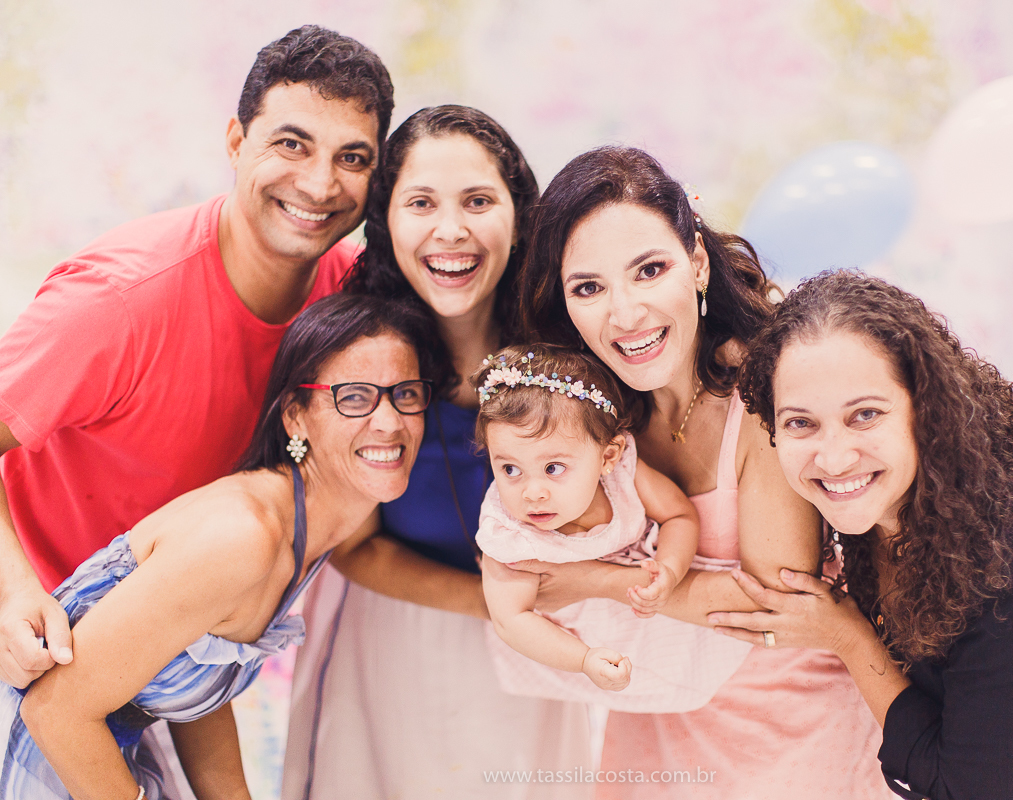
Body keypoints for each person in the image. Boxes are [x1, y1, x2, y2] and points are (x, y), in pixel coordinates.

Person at [0, 24, 392, 691]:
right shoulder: (117, 303)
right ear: (237, 143)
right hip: (47, 652)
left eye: (352, 158)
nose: (320, 184)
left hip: (179, 667)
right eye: (292, 144)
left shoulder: (358, 301)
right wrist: (11, 593)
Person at [717, 269, 1013, 799]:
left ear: (925, 408)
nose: (832, 457)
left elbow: (968, 791)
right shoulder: (884, 497)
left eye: (865, 415)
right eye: (800, 423)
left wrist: (848, 638)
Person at [516, 146, 890, 798]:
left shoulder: (765, 386)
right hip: (659, 724)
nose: (625, 314)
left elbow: (774, 603)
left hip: (794, 734)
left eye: (649, 270)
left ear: (694, 264)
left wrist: (588, 581)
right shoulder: (590, 409)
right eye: (589, 287)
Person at [0, 292, 435, 800]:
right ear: (295, 417)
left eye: (406, 393)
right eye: (355, 398)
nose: (389, 421)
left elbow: (198, 680)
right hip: (38, 757)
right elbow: (54, 711)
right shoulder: (243, 537)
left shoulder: (311, 528)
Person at [281, 106, 591, 800]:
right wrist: (496, 606)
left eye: (477, 201)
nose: (450, 229)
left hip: (548, 654)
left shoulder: (572, 351)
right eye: (421, 203)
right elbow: (355, 547)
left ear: (521, 215)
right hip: (396, 645)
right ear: (387, 220)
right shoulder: (359, 359)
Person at [473, 344, 752, 709]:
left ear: (608, 456)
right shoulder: (508, 531)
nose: (532, 492)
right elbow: (512, 620)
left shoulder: (622, 474)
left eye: (553, 468)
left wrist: (668, 571)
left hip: (666, 632)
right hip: (579, 650)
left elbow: (678, 516)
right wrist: (584, 659)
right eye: (510, 469)